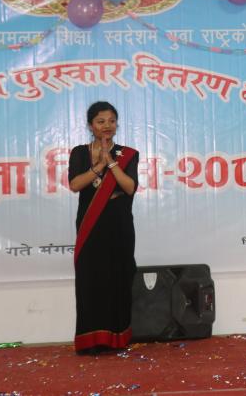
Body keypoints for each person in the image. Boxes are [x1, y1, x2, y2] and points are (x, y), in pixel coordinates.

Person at [68, 101, 139, 354]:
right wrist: (98, 165)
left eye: (111, 121)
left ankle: (118, 339)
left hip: (119, 224)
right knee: (91, 280)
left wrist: (111, 163)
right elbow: (75, 185)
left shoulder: (128, 154)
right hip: (91, 224)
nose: (107, 126)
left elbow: (129, 187)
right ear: (91, 126)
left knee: (119, 277)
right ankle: (91, 341)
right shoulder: (79, 153)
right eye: (100, 121)